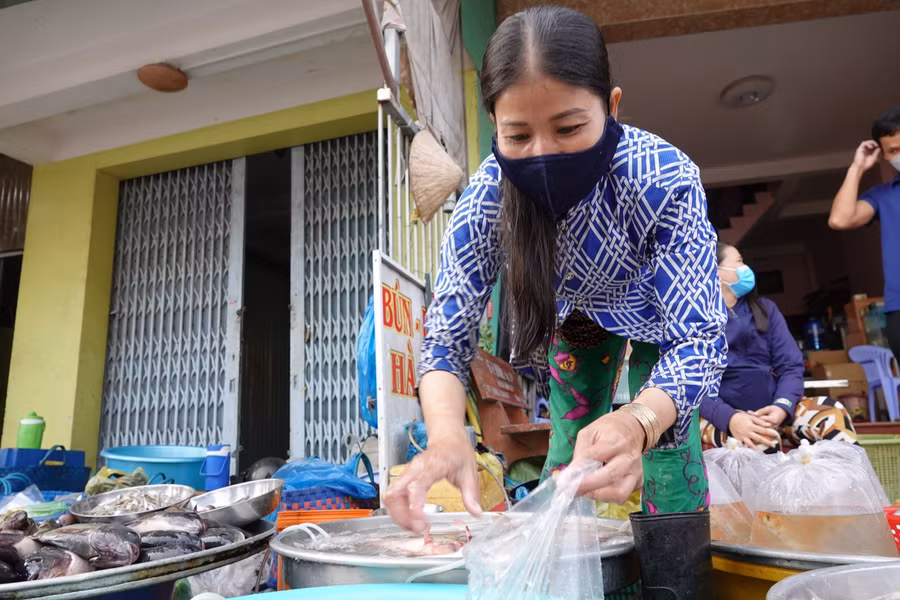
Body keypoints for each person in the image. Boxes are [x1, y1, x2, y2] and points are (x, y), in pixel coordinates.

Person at [384, 6, 726, 596]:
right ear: (494, 123)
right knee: (571, 461)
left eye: (569, 128)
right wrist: (446, 436)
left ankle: (678, 583)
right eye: (517, 136)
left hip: (660, 326)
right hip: (580, 324)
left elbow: (697, 339)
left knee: (669, 457)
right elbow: (445, 338)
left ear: (612, 107)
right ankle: (574, 582)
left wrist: (641, 422)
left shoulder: (661, 177)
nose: (544, 154)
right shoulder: (487, 199)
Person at [700, 243, 859, 451]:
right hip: (722, 417)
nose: (745, 268)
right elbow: (691, 383)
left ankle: (848, 484)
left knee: (832, 412)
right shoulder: (696, 320)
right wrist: (731, 418)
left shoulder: (766, 310)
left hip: (776, 412)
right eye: (739, 262)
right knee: (758, 439)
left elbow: (791, 366)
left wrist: (782, 407)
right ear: (716, 272)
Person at [828, 107, 900, 361]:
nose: (898, 155)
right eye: (893, 151)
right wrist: (858, 168)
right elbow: (840, 219)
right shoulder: (883, 195)